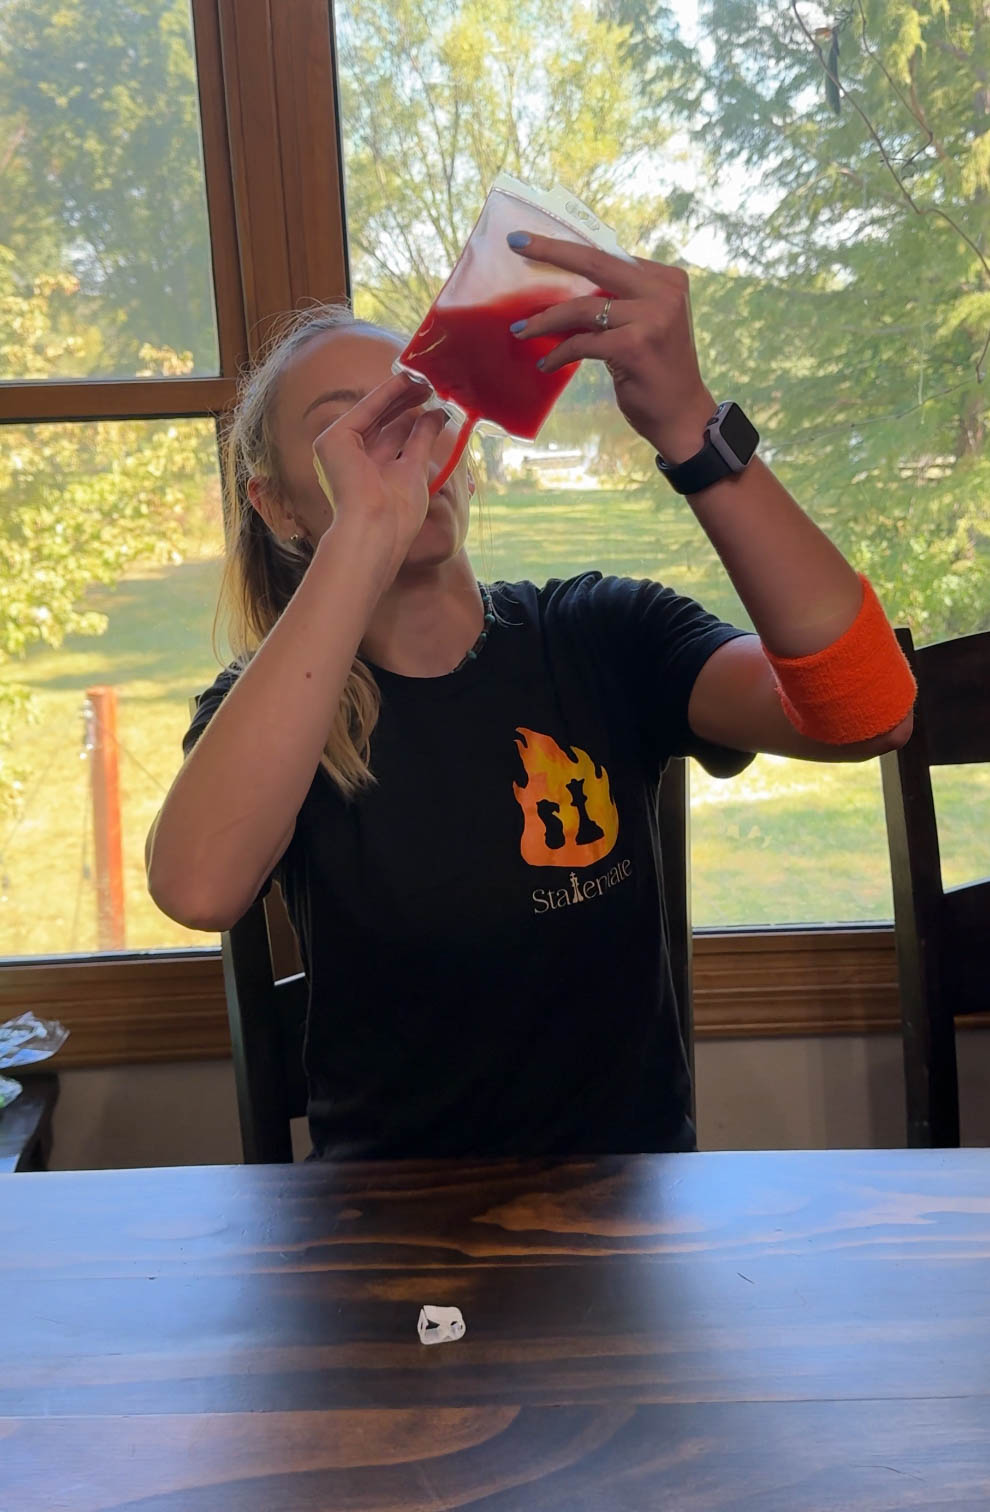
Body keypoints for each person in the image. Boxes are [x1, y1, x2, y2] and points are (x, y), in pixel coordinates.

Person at [146, 233, 915, 1160]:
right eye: (347, 433)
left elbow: (872, 709)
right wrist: (362, 539)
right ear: (275, 507)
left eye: (418, 411)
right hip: (386, 1229)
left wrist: (690, 426)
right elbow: (196, 887)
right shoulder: (274, 707)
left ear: (465, 455)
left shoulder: (600, 633)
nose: (396, 450)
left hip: (625, 1217)